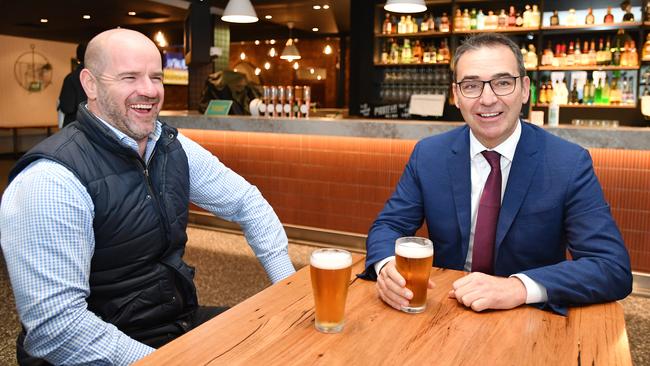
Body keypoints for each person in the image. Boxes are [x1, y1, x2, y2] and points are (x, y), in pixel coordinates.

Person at [0, 28, 295, 365]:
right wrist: (164, 361)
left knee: (282, 340)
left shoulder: (169, 146)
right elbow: (58, 329)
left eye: (156, 77)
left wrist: (287, 290)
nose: (150, 90)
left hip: (172, 324)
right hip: (94, 349)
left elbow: (247, 202)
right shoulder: (50, 180)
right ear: (90, 84)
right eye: (129, 77)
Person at [361, 33, 632, 315]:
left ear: (525, 89)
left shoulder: (568, 163)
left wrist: (519, 287)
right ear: (456, 96)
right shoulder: (429, 155)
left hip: (526, 317)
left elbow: (610, 266)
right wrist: (387, 267)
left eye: (503, 83)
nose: (487, 99)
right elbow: (389, 226)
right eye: (471, 85)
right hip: (442, 307)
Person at [57, 43, 88, 128]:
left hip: (74, 126)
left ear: (78, 57)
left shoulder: (71, 78)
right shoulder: (99, 77)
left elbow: (67, 107)